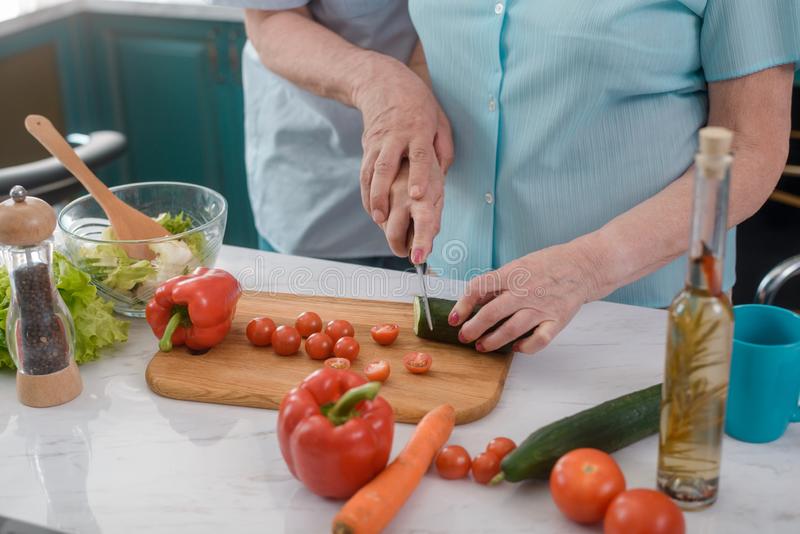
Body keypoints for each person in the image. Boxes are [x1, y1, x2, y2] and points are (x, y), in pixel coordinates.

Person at [377, 1, 799, 353]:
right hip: (451, 298)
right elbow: (435, 47)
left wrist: (587, 267)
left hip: (637, 324)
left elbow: (751, 150)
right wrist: (414, 143)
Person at [207, 0, 452, 269]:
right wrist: (380, 84)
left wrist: (412, 121)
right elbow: (268, 18)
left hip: (444, 159)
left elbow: (452, 15)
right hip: (313, 165)